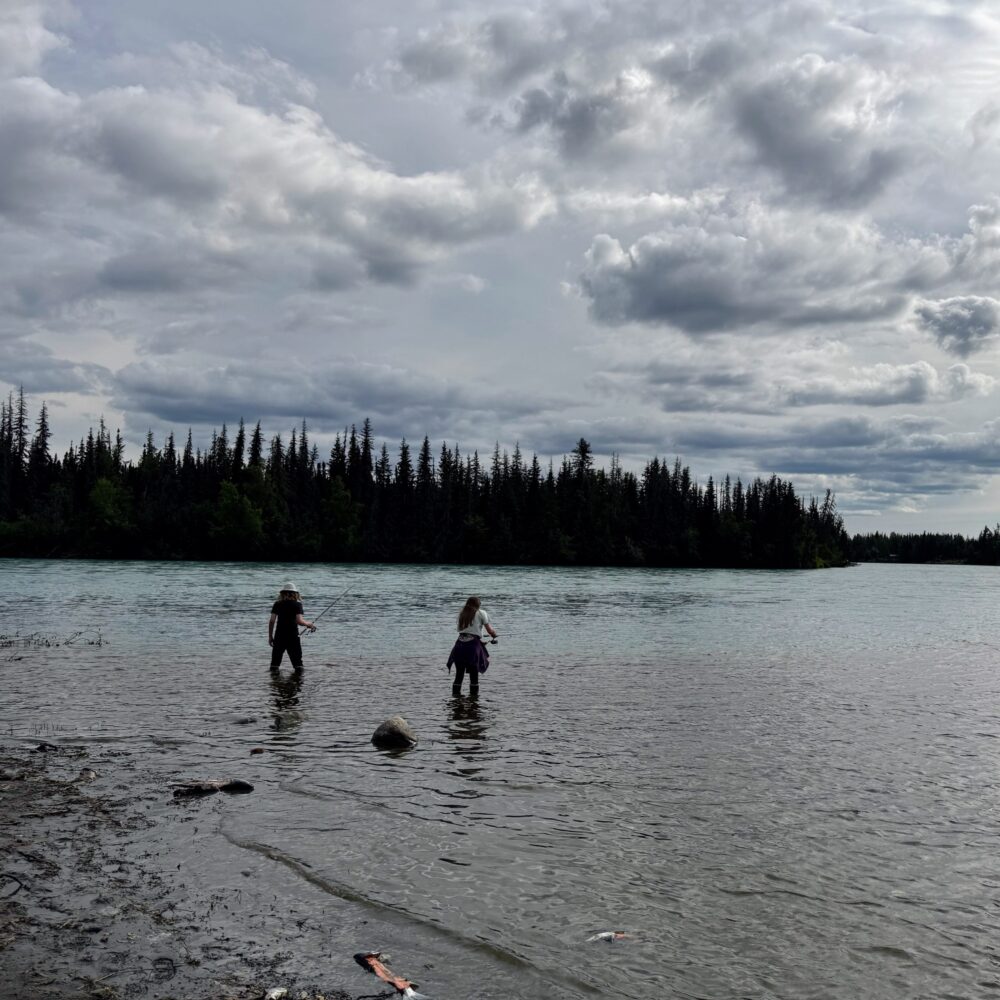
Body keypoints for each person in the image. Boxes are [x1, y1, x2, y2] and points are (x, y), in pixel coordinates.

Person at [447, 595, 498, 697]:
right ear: (478, 605)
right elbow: (490, 630)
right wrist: (494, 634)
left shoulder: (462, 613)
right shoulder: (481, 613)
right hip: (473, 647)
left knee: (459, 674)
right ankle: (474, 700)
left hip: (459, 645)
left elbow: (466, 631)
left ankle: (456, 699)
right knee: (474, 675)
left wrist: (480, 640)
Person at [268, 582, 315, 672]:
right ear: (295, 593)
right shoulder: (297, 604)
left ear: (282, 593)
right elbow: (299, 621)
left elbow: (272, 621)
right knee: (298, 664)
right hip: (292, 636)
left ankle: (274, 684)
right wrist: (309, 624)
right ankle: (297, 683)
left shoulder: (277, 604)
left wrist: (270, 636)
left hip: (279, 636)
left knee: (274, 664)